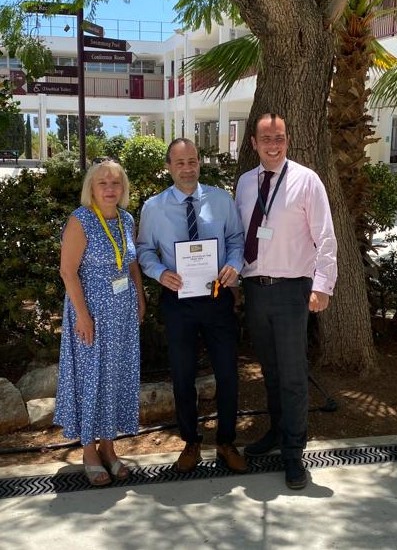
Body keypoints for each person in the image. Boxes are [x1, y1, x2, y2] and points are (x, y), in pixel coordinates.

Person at [235, 113, 337, 489]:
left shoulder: (307, 181)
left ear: (288, 140)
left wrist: (323, 285)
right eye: (266, 139)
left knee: (293, 375)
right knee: (271, 371)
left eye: (279, 137)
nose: (273, 145)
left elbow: (325, 237)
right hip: (255, 289)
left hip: (293, 290)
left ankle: (294, 454)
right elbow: (238, 236)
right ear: (254, 144)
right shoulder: (246, 183)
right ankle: (277, 433)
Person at [137, 138, 247, 474]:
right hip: (177, 302)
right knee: (182, 376)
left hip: (216, 298)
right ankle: (191, 442)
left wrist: (234, 266)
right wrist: (159, 273)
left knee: (228, 373)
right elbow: (143, 250)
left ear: (200, 163)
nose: (187, 168)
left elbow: (236, 240)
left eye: (193, 161)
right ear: (169, 166)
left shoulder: (220, 199)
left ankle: (227, 441)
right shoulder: (154, 208)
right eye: (180, 162)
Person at [54, 159, 146, 486]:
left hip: (121, 315)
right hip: (90, 313)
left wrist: (140, 296)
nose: (110, 189)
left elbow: (130, 262)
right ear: (91, 188)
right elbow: (68, 271)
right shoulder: (81, 221)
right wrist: (82, 315)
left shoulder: (125, 219)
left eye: (116, 183)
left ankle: (109, 447)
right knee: (92, 379)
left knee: (115, 377)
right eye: (103, 183)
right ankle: (89, 451)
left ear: (123, 189)